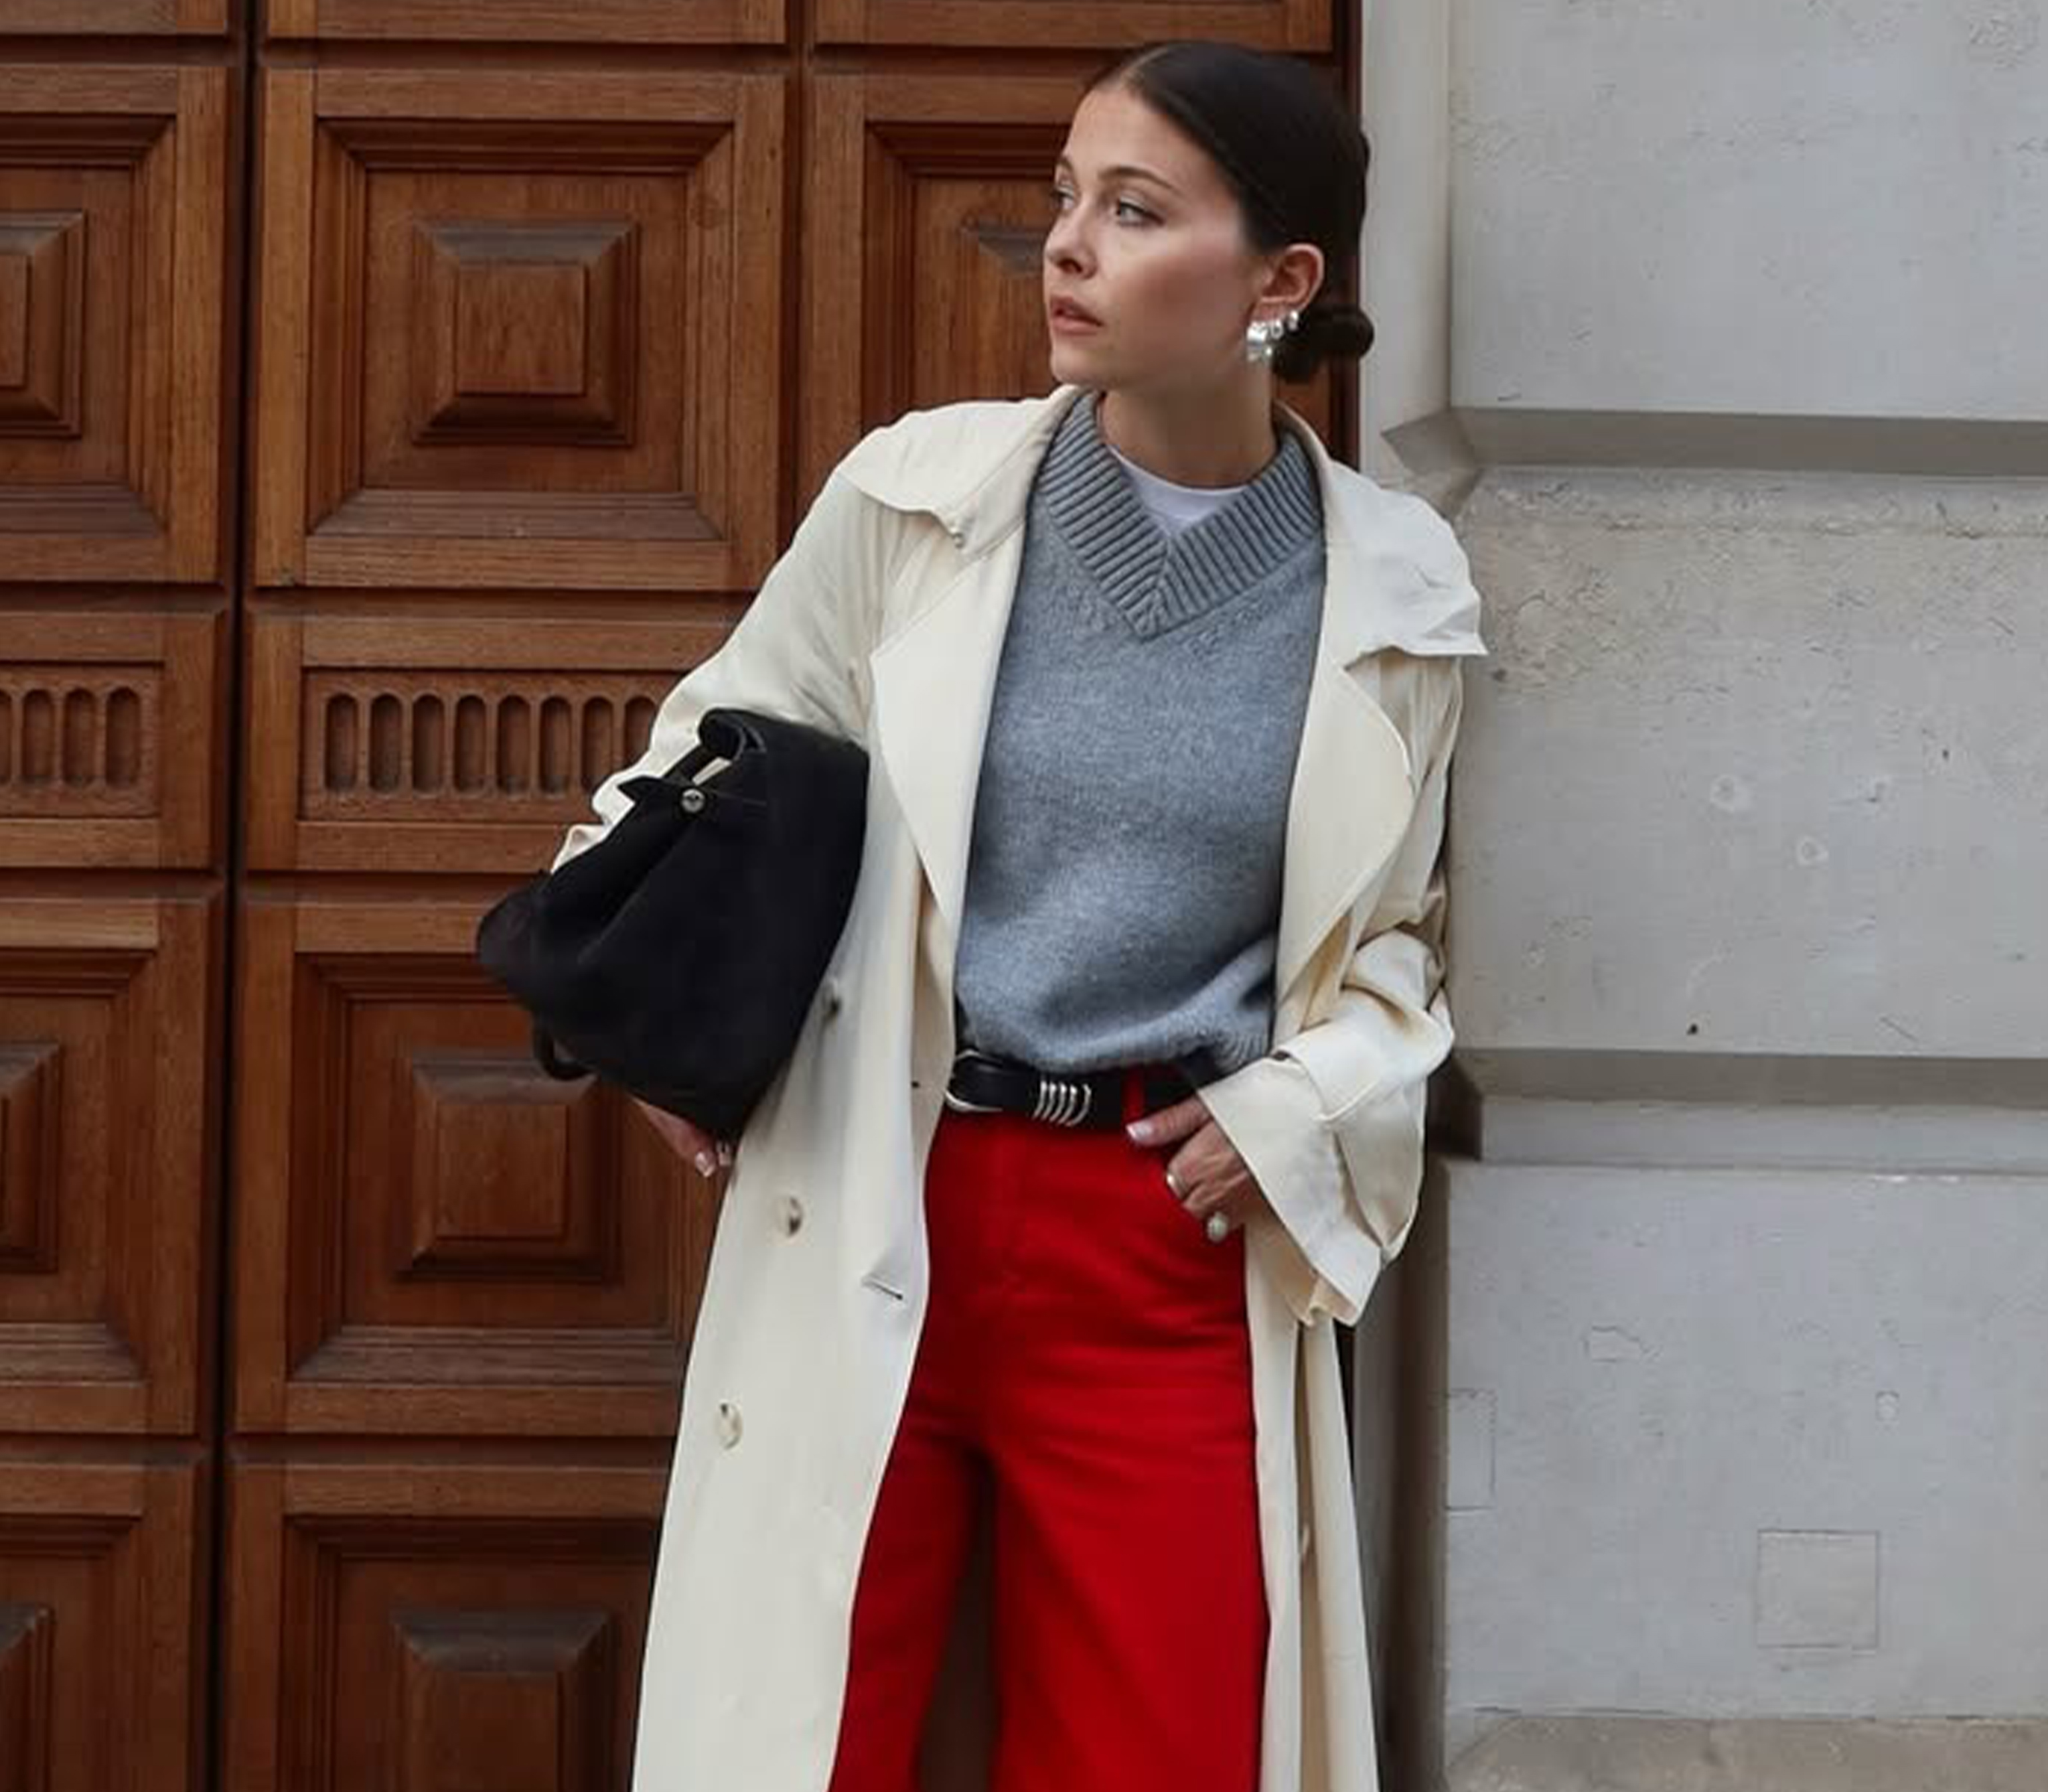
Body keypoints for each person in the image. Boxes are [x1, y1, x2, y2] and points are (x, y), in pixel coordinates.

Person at [546, 38, 1486, 1792]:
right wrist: (662, 1015)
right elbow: (713, 760)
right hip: (879, 1181)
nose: (1066, 243)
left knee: (1160, 1752)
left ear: (1279, 282)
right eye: (1066, 197)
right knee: (806, 1734)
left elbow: (1400, 952)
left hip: (1163, 1238)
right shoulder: (919, 499)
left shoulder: (1396, 595)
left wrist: (1298, 1111)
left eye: (1135, 210)